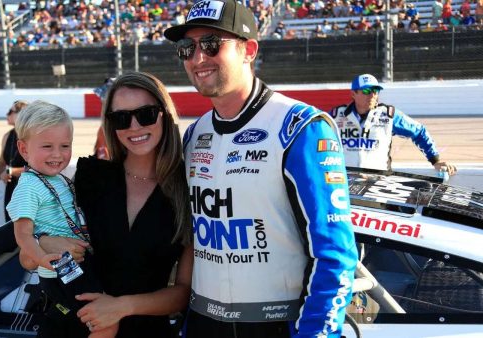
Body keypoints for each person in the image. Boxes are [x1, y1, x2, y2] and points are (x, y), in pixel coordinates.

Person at [163, 1, 358, 337]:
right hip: (204, 323)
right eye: (187, 48)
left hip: (276, 325)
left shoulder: (300, 127)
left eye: (211, 44)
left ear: (248, 50)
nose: (198, 58)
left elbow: (335, 254)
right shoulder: (196, 135)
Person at [27, 72, 193, 338]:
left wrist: (119, 307)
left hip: (145, 331)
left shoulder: (186, 190)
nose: (135, 126)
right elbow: (32, 241)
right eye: (121, 118)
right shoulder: (90, 178)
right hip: (72, 326)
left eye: (146, 113)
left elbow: (183, 292)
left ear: (165, 114)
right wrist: (45, 241)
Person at [7, 100, 115, 338]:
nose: (57, 155)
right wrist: (43, 259)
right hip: (61, 269)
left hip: (76, 264)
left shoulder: (59, 179)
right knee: (104, 322)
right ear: (24, 149)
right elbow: (22, 234)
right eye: (47, 146)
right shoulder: (28, 186)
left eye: (65, 145)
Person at [329, 74, 457, 175]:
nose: (373, 95)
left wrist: (436, 161)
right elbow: (314, 137)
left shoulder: (389, 115)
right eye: (367, 90)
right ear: (353, 94)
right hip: (344, 183)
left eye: (376, 90)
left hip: (377, 183)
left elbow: (419, 132)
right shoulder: (335, 115)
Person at [0, 100, 28, 221]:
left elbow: (40, 168)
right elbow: (1, 162)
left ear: (21, 114)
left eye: (10, 111)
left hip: (28, 191)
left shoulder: (32, 137)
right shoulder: (8, 136)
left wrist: (12, 171)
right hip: (11, 190)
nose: (7, 115)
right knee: (10, 229)